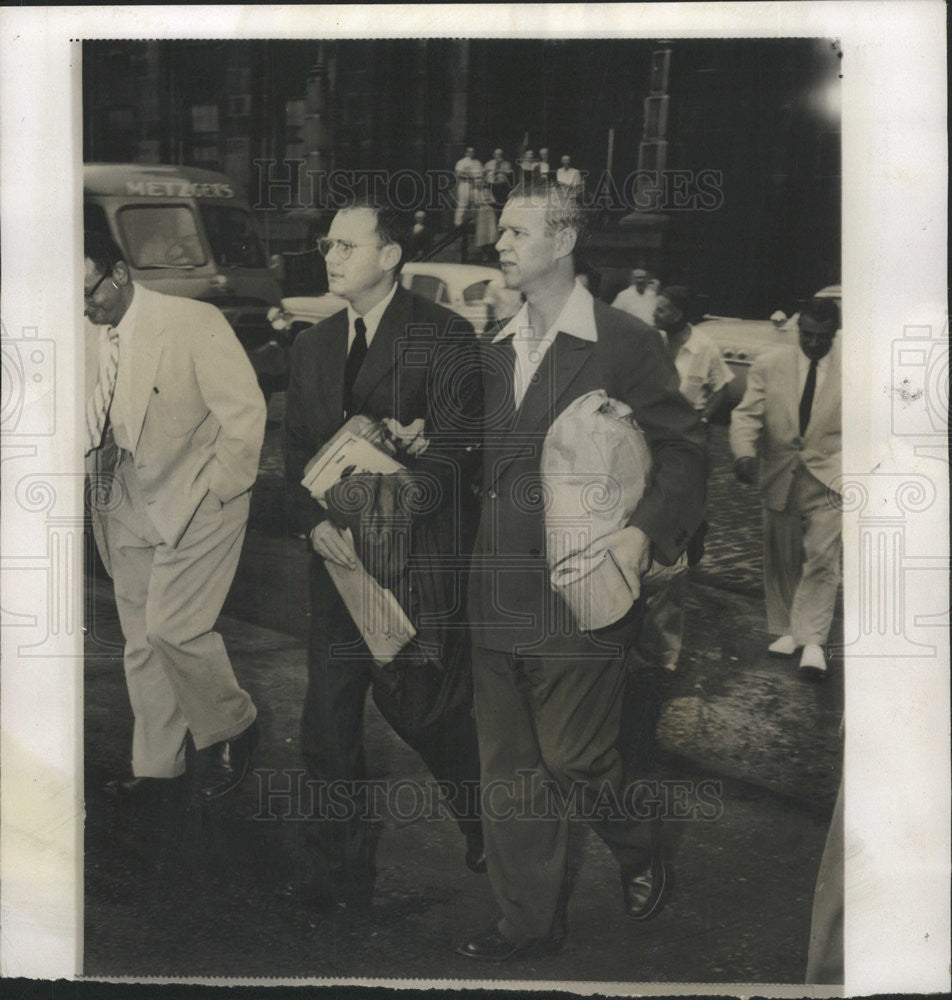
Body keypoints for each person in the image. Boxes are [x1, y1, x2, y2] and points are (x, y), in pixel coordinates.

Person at [457, 183, 708, 960]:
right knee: (508, 769)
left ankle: (637, 845)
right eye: (499, 230)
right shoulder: (496, 346)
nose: (500, 243)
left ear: (562, 243)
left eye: (516, 231)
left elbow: (684, 449)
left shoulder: (624, 342)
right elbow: (488, 464)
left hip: (583, 586)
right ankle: (525, 923)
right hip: (496, 592)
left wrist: (643, 536)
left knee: (575, 758)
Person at [283, 199, 485, 909]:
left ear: (391, 255)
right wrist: (313, 524)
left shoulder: (446, 336)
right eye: (326, 243)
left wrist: (401, 473)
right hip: (337, 566)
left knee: (429, 718)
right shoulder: (312, 345)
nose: (331, 256)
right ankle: (335, 871)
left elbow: (465, 457)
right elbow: (295, 458)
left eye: (347, 245)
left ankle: (484, 820)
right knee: (328, 728)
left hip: (411, 569)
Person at [83, 230, 265, 800]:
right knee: (141, 639)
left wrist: (219, 490)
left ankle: (234, 725)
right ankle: (159, 769)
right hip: (121, 493)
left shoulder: (191, 321)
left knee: (173, 628)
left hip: (197, 496)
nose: (81, 305)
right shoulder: (87, 331)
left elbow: (244, 412)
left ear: (118, 274)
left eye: (89, 291)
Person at [729, 296, 842, 678]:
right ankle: (790, 630)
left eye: (822, 337)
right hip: (781, 471)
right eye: (807, 335)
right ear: (798, 328)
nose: (813, 343)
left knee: (822, 559)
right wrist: (743, 452)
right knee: (782, 556)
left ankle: (813, 642)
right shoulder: (770, 364)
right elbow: (747, 413)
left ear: (834, 333)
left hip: (831, 476)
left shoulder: (856, 369)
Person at [453, 145, 483, 227]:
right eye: (469, 151)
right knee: (462, 204)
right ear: (466, 153)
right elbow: (458, 174)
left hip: (476, 185)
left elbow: (480, 175)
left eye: (473, 151)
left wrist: (477, 181)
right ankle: (458, 224)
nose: (471, 153)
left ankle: (474, 224)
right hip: (464, 184)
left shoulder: (478, 163)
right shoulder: (461, 162)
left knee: (476, 204)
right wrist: (469, 176)